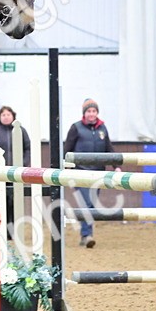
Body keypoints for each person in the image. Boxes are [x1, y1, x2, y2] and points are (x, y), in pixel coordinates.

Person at [63, 98, 115, 248]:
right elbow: (67, 149)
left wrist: (116, 165)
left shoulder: (102, 129)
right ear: (84, 113)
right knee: (86, 203)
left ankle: (85, 235)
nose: (91, 114)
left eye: (93, 111)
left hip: (98, 173)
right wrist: (66, 167)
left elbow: (108, 148)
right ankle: (87, 235)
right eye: (88, 111)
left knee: (92, 204)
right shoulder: (76, 128)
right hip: (81, 173)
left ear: (97, 112)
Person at [0, 105, 31, 238]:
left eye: (8, 114)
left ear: (13, 116)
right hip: (0, 174)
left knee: (14, 202)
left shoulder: (21, 131)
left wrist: (23, 163)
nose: (6, 117)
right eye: (3, 115)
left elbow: (28, 148)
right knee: (2, 201)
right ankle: (3, 228)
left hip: (16, 174)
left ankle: (13, 230)